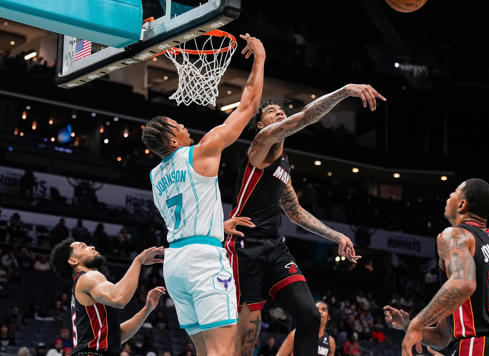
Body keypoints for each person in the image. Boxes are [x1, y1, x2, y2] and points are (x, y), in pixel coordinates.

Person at [224, 83, 385, 356]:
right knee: (249, 332)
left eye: (281, 110)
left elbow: (295, 211)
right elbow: (307, 116)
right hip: (245, 246)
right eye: (272, 111)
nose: (280, 113)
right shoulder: (261, 144)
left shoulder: (283, 161)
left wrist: (337, 236)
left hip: (275, 247)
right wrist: (345, 91)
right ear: (261, 124)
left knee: (310, 316)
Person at [141, 33, 265, 356]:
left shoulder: (156, 177)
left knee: (204, 351)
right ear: (170, 141)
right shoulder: (202, 151)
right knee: (223, 351)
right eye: (176, 124)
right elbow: (249, 106)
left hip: (176, 264)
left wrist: (215, 225)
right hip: (203, 261)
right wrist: (261, 58)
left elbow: (182, 213)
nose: (183, 125)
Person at [383, 178, 489, 356]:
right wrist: (408, 326)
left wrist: (417, 324)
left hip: (477, 347)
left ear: (462, 204)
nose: (449, 196)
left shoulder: (455, 235)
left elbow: (463, 283)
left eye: (453, 193)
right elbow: (442, 337)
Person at [50, 238, 166, 356]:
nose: (92, 247)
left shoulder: (84, 284)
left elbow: (117, 337)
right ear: (73, 260)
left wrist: (147, 309)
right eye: (83, 247)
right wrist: (138, 261)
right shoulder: (88, 277)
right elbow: (119, 299)